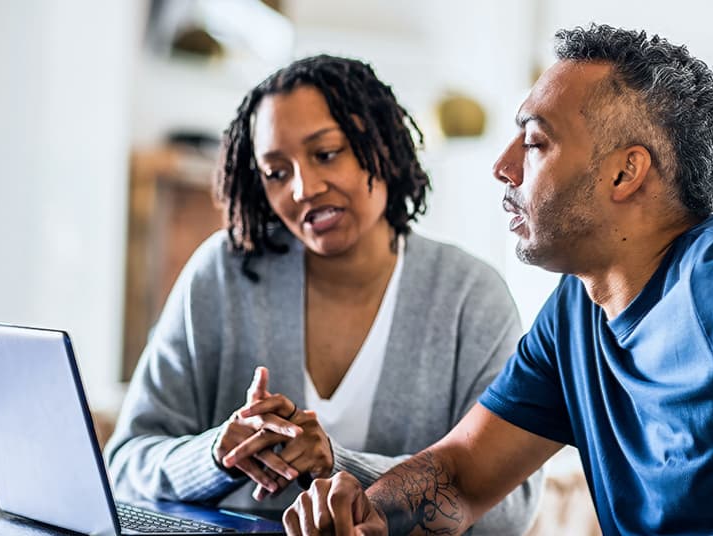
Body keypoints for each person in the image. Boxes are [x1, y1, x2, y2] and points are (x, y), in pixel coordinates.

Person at [283, 25, 713, 535]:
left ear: (625, 172)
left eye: (534, 141)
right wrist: (367, 513)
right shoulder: (578, 308)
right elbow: (462, 474)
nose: (503, 166)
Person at [103, 55, 542, 534]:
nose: (303, 188)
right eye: (276, 172)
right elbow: (125, 464)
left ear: (382, 145)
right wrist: (215, 453)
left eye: (326, 153)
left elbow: (509, 507)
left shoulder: (469, 298)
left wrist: (339, 464)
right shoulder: (222, 275)